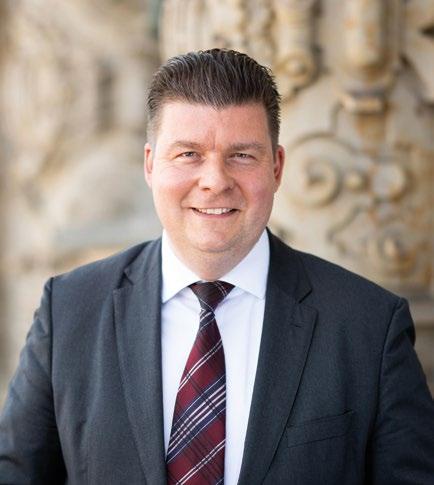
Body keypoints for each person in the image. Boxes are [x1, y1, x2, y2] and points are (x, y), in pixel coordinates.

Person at [0, 48, 433, 485]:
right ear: (150, 164)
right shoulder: (69, 310)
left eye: (241, 155)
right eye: (188, 154)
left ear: (277, 167)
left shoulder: (368, 325)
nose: (215, 181)